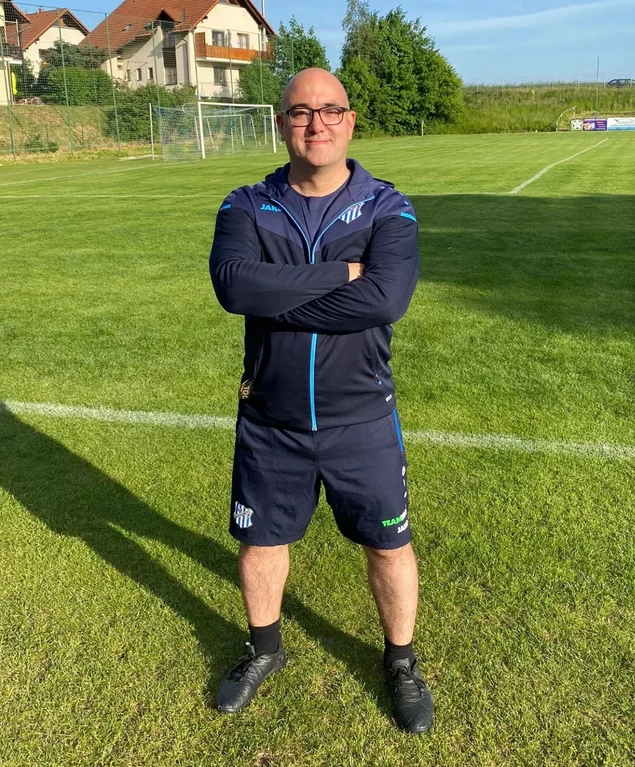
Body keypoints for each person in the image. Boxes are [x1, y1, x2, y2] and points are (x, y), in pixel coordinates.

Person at [208, 68, 432, 734]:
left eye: (330, 109)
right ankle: (264, 648)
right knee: (261, 541)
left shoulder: (388, 207)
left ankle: (401, 661)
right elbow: (235, 287)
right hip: (270, 420)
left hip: (361, 417)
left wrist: (279, 293)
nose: (316, 123)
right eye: (301, 111)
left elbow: (384, 300)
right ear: (281, 123)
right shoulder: (246, 205)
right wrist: (342, 274)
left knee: (388, 546)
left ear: (350, 121)